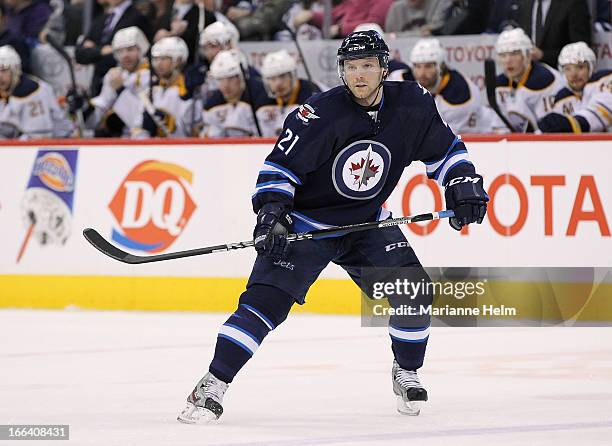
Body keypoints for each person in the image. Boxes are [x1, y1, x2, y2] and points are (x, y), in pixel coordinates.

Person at [177, 30, 488, 424]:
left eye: (367, 66)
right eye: (351, 67)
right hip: (307, 225)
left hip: (367, 224)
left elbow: (446, 151)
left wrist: (461, 184)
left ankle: (406, 371)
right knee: (264, 306)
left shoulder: (412, 104)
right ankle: (212, 383)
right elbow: (279, 169)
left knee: (414, 294)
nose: (359, 75)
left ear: (383, 68)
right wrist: (272, 214)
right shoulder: (320, 114)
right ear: (342, 71)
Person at [72, 26, 151, 137]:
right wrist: (85, 106)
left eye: (130, 49)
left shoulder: (150, 76)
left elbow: (140, 120)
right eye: (120, 51)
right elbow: (102, 106)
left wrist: (120, 90)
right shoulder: (113, 74)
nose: (125, 55)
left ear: (141, 49)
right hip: (117, 138)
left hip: (141, 138)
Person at [410, 38, 490, 133]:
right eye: (417, 66)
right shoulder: (404, 79)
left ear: (441, 67)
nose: (422, 73)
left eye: (428, 66)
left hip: (480, 137)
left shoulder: (458, 93)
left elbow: (444, 139)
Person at [75, 0, 151, 96]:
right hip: (97, 85)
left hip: (128, 84)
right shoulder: (102, 18)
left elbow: (140, 53)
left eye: (128, 49)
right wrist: (102, 51)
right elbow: (80, 55)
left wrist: (95, 50)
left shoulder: (138, 17)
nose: (124, 53)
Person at [493, 27, 562, 132]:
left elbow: (549, 128)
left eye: (514, 53)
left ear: (528, 56)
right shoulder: (501, 83)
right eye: (503, 55)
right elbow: (499, 125)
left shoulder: (544, 80)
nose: (508, 60)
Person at [0, 45, 73, 139]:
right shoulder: (5, 91)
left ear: (15, 70)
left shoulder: (34, 90)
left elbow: (39, 135)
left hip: (57, 144)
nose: (0, 76)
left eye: (4, 71)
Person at [538, 42, 612, 133]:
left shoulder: (605, 80)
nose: (573, 74)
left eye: (580, 67)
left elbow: (601, 112)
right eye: (568, 69)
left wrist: (574, 123)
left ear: (592, 67)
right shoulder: (562, 98)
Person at [201, 49, 267, 137]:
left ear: (243, 78)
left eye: (231, 78)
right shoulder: (211, 105)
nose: (225, 85)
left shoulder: (261, 101)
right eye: (220, 79)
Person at [256, 49, 321, 137]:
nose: (278, 83)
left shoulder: (311, 92)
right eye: (272, 79)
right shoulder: (264, 98)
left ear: (292, 76)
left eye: (283, 76)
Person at [515, 0, 592, 68]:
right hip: (526, 74)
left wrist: (543, 55)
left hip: (561, 74)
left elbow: (581, 49)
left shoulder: (574, 3)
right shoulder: (525, 3)